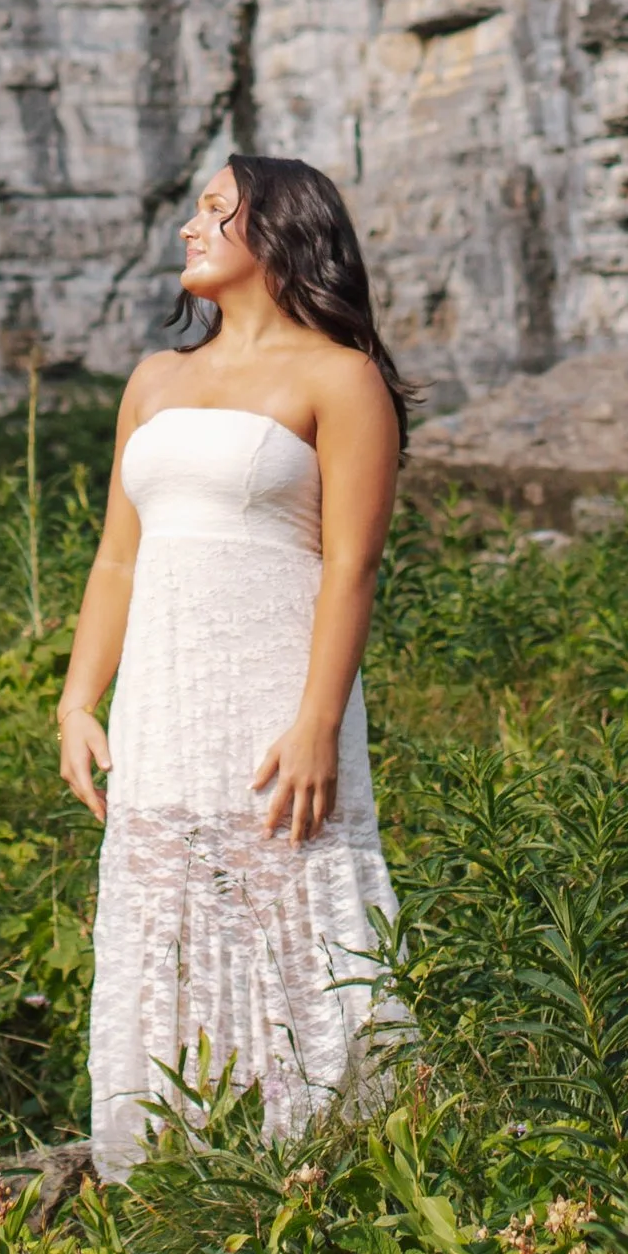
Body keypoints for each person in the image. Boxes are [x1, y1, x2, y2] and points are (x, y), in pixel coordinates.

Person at [57, 151, 413, 1179]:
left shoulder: (338, 379)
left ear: (279, 231)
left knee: (294, 910)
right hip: (164, 711)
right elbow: (116, 554)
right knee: (164, 922)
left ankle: (331, 1169)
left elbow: (351, 567)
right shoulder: (154, 381)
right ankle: (171, 1178)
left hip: (274, 706)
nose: (189, 226)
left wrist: (315, 722)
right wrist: (81, 701)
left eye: (215, 209)